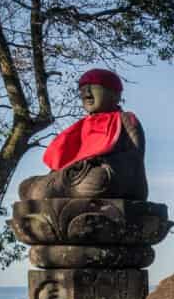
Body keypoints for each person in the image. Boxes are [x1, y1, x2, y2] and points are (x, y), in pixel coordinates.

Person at [19, 68, 147, 200]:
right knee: (26, 186)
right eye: (83, 90)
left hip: (110, 175)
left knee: (97, 179)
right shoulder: (82, 125)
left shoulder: (125, 119)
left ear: (115, 95)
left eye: (94, 88)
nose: (87, 93)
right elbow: (67, 158)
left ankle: (65, 187)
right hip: (76, 175)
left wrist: (102, 161)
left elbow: (135, 157)